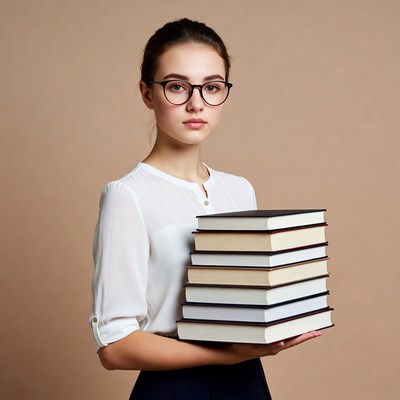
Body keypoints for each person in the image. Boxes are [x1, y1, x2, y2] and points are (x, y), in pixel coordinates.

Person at [89, 18, 321, 400]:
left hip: (248, 384)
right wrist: (224, 356)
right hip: (175, 388)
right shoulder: (127, 195)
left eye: (212, 87)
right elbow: (113, 346)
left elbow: (250, 304)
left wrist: (282, 322)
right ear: (148, 94)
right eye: (177, 86)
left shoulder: (239, 190)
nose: (197, 103)